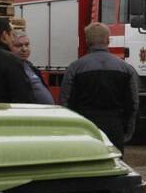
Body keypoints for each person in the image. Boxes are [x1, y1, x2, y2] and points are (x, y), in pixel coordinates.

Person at [60, 22, 140, 152]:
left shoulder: (75, 68)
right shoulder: (126, 69)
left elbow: (66, 102)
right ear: (108, 40)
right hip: (115, 127)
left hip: (85, 128)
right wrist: (126, 130)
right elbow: (133, 104)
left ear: (87, 41)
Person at [7, 30, 56, 105]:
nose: (24, 49)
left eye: (27, 45)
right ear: (8, 48)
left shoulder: (30, 67)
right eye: (18, 46)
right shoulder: (11, 69)